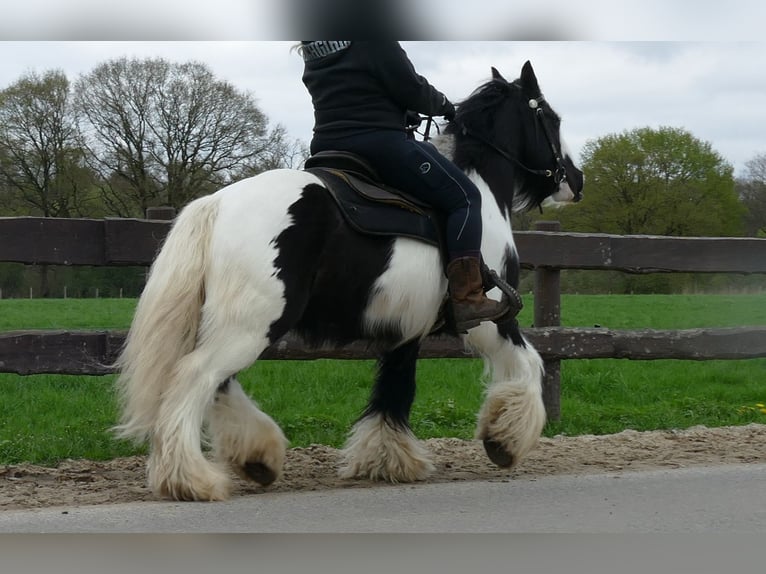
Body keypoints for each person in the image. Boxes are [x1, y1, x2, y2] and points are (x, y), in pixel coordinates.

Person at [299, 41, 509, 332]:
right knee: (465, 197)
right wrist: (444, 105)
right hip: (379, 145)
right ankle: (467, 298)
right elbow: (412, 88)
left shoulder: (315, 47)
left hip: (326, 146)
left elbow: (352, 92)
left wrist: (397, 112)